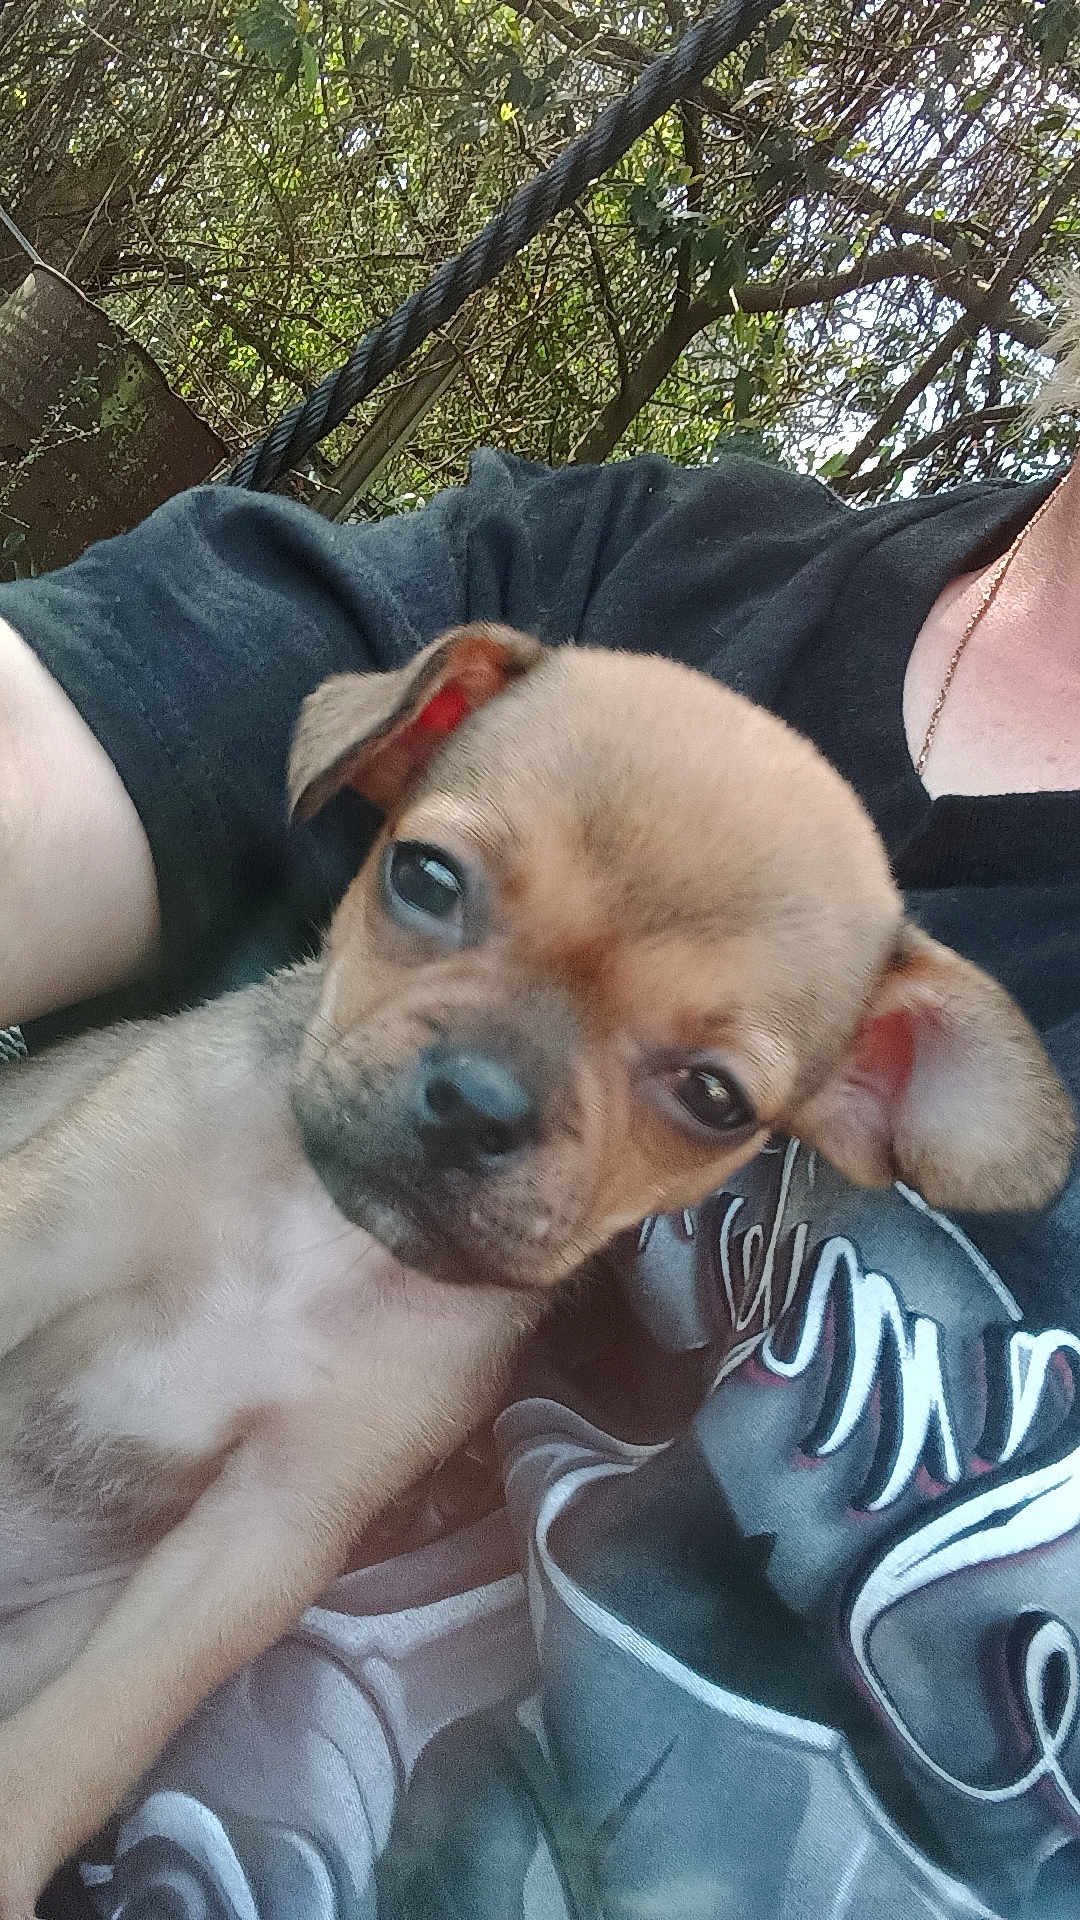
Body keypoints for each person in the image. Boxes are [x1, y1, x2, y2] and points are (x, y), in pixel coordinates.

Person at [2, 297, 1080, 1920]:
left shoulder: (459, 1331)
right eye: (437, 885)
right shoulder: (640, 565)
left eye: (698, 1087)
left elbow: (238, 1563)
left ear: (870, 1078)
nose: (488, 1085)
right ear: (408, 741)